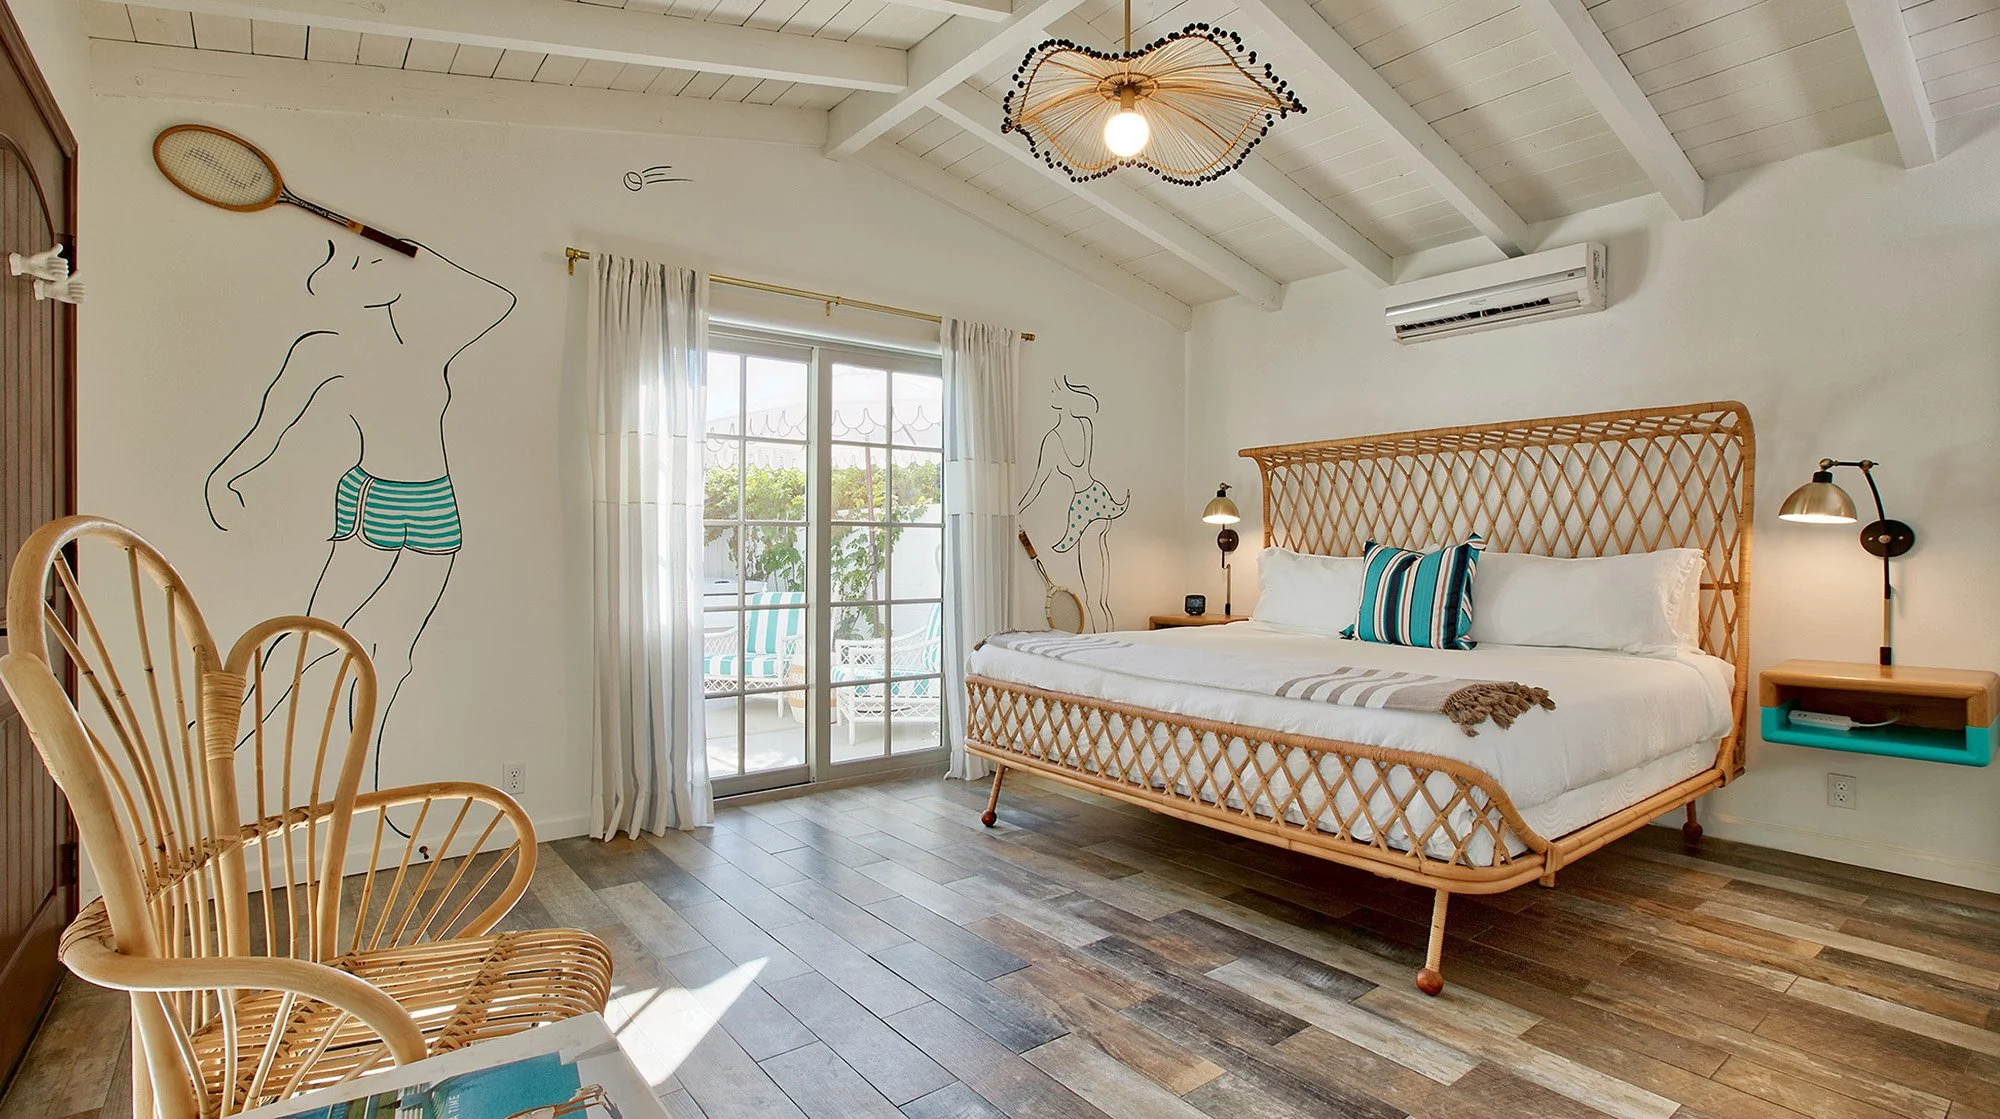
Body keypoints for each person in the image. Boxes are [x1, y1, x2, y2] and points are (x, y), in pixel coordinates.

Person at [205, 237, 515, 792]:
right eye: (364, 262)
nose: (381, 267)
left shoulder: (426, 342)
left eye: (382, 260)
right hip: (373, 498)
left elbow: (496, 299)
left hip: (436, 502)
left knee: (396, 655)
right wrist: (226, 474)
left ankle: (368, 789)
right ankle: (209, 755)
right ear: (343, 283)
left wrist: (412, 248)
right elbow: (272, 424)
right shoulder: (325, 349)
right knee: (312, 636)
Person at [1017, 376, 1128, 630]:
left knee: (1092, 597)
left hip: (1084, 506)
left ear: (1065, 396)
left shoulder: (1053, 439)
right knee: (1099, 599)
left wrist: (1017, 509)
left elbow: (1038, 483)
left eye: (1056, 390)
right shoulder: (1085, 425)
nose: (1052, 394)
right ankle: (1110, 644)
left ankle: (1105, 649)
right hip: (1099, 495)